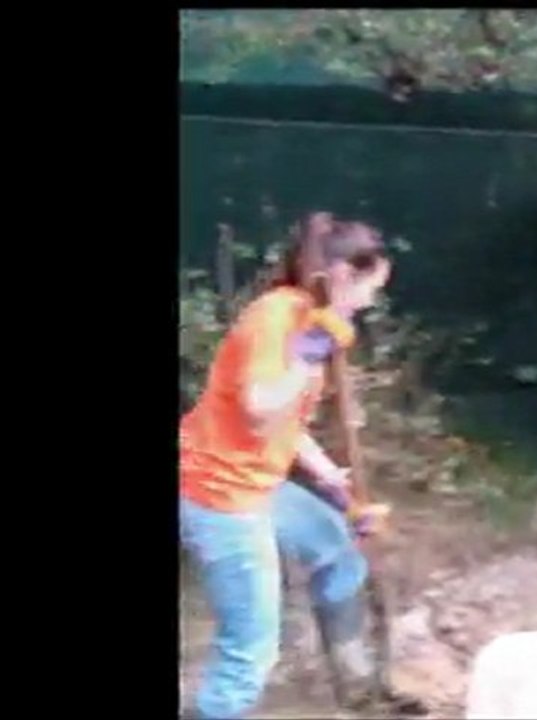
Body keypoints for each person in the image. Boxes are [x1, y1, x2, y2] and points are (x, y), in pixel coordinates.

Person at [179, 212, 393, 719]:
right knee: (250, 651)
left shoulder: (308, 318)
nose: (369, 301)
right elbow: (258, 411)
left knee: (337, 550)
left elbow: (286, 424)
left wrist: (335, 487)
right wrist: (311, 354)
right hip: (220, 492)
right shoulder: (277, 318)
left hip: (257, 481)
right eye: (370, 288)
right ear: (343, 275)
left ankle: (358, 690)